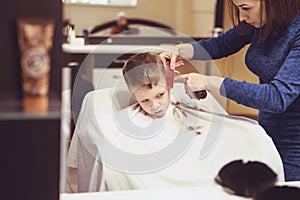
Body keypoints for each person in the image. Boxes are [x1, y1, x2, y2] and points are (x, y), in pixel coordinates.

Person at [67, 52, 284, 192]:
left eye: (160, 95)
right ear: (133, 94)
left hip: (186, 120)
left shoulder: (185, 99)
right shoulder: (126, 121)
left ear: (168, 85)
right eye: (144, 100)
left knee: (251, 133)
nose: (154, 106)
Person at [161, 0, 300, 181]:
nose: (242, 17)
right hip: (269, 128)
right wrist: (179, 50)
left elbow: (276, 98)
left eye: (246, 8)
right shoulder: (263, 22)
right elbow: (220, 45)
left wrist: (209, 83)